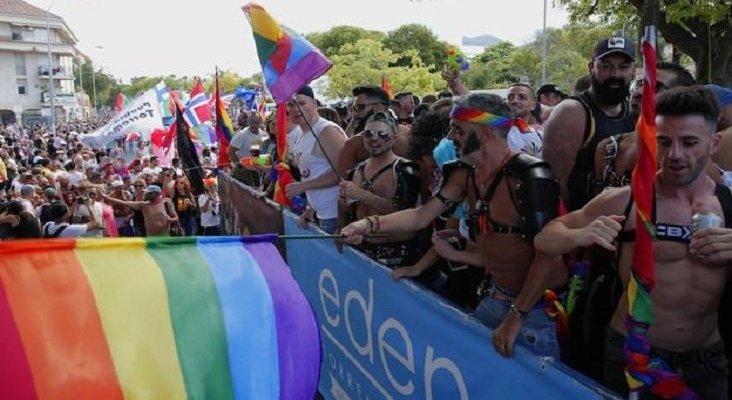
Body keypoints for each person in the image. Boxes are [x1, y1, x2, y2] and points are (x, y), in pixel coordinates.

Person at [535, 86, 730, 398]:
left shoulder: (729, 202)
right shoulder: (625, 200)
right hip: (633, 353)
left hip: (705, 359)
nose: (676, 154)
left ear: (714, 142)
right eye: (664, 142)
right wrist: (578, 235)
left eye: (690, 142)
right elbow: (545, 238)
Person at [341, 93, 566, 358]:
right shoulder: (464, 173)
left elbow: (548, 254)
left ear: (484, 133)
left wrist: (516, 316)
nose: (450, 137)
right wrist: (367, 225)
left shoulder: (529, 175)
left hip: (534, 309)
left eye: (458, 129)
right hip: (496, 296)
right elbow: (421, 215)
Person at [543, 36, 637, 211]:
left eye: (623, 67)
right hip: (583, 226)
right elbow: (553, 184)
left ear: (634, 70)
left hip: (622, 226)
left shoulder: (633, 113)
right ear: (591, 67)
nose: (615, 74)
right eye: (606, 66)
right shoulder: (572, 112)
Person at [337, 111, 422, 268]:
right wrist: (345, 205)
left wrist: (361, 194)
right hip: (361, 249)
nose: (374, 138)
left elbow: (408, 214)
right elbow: (348, 210)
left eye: (382, 134)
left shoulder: (405, 169)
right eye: (368, 133)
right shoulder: (356, 170)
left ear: (394, 138)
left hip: (397, 256)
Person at [285, 85, 347, 234]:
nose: (295, 109)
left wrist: (303, 186)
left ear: (314, 103)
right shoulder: (300, 134)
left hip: (336, 215)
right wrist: (310, 208)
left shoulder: (327, 131)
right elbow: (313, 172)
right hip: (320, 214)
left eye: (301, 103)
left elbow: (343, 173)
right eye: (291, 104)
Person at [98, 184, 179, 237]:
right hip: (151, 237)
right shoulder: (143, 205)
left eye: (149, 193)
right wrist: (107, 198)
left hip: (166, 235)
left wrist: (170, 220)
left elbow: (176, 218)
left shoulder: (166, 202)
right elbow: (124, 203)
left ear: (157, 194)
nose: (146, 195)